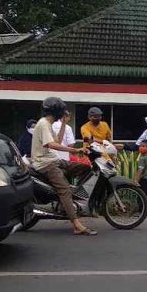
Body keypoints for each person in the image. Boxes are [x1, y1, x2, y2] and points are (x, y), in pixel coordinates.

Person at [31, 97, 96, 235]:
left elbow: (58, 140)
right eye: (62, 111)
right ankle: (76, 224)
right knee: (65, 190)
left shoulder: (48, 123)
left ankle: (73, 198)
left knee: (85, 167)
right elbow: (51, 145)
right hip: (45, 164)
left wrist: (63, 124)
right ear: (56, 111)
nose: (64, 113)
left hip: (54, 160)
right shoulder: (43, 124)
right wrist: (75, 150)